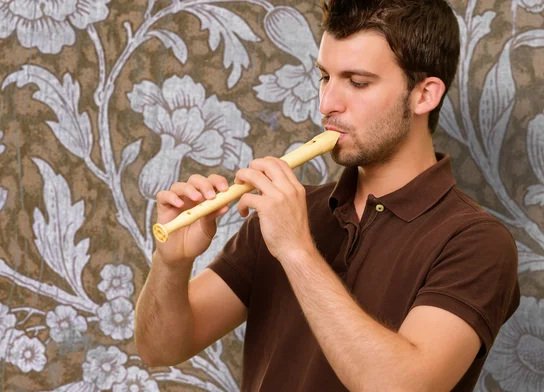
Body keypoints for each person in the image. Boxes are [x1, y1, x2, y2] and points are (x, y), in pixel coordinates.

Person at [134, 0, 521, 390]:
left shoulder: (477, 243)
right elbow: (159, 349)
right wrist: (171, 264)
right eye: (325, 77)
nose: (327, 104)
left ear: (424, 95)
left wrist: (297, 250)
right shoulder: (290, 211)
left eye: (357, 82)